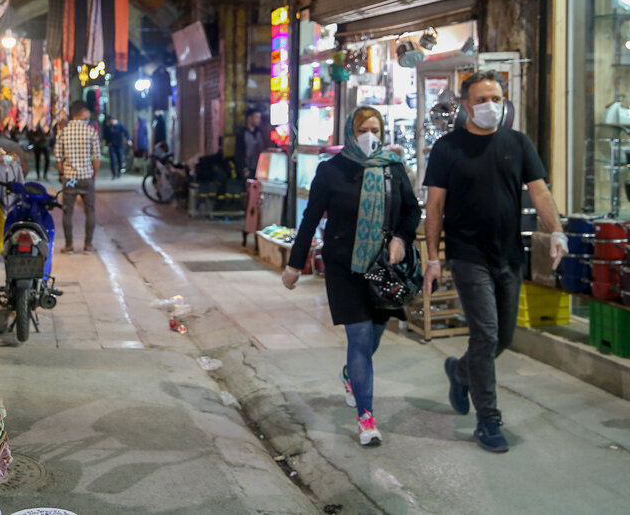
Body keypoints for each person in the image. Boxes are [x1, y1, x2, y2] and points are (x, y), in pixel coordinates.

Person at [423, 70, 566, 454]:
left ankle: (460, 370)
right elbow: (435, 207)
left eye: (496, 99)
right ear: (467, 105)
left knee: (503, 336)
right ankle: (488, 420)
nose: (490, 106)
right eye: (482, 99)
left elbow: (540, 192)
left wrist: (557, 231)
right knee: (485, 334)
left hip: (508, 254)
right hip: (467, 255)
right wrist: (433, 258)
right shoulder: (448, 148)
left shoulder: (518, 143)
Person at [281, 106, 421, 447]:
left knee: (373, 338)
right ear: (350, 132)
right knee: (358, 339)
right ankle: (366, 416)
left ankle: (350, 375)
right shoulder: (332, 170)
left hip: (383, 267)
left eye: (375, 128)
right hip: (344, 266)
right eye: (362, 128)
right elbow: (311, 217)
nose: (369, 134)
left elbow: (411, 210)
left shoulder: (392, 168)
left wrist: (402, 238)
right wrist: (294, 263)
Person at [55, 100, 101, 253]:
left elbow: (58, 157)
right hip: (86, 177)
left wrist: (62, 173)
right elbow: (96, 157)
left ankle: (69, 245)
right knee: (90, 211)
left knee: (68, 211)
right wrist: (94, 175)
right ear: (82, 113)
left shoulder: (63, 132)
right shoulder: (91, 131)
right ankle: (88, 245)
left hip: (70, 179)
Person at [235, 107, 265, 179]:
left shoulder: (259, 133)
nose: (259, 120)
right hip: (247, 170)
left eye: (259, 117)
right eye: (257, 117)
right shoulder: (242, 134)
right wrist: (244, 169)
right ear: (250, 118)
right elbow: (239, 153)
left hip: (258, 169)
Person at [103, 115, 132, 179]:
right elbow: (105, 136)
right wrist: (106, 143)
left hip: (119, 145)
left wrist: (129, 139)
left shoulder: (120, 125)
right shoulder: (108, 127)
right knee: (113, 160)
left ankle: (119, 172)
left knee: (120, 159)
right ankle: (114, 174)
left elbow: (126, 133)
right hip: (112, 146)